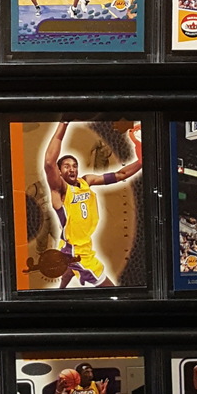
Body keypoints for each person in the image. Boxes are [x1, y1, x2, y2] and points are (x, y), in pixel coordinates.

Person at [41, 120, 143, 287]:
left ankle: (59, 291)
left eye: (75, 166)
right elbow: (48, 163)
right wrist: (64, 124)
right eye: (66, 166)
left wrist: (140, 162)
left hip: (76, 245)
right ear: (58, 172)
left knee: (67, 271)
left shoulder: (86, 181)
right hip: (78, 252)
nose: (72, 169)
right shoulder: (60, 190)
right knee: (111, 289)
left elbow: (120, 175)